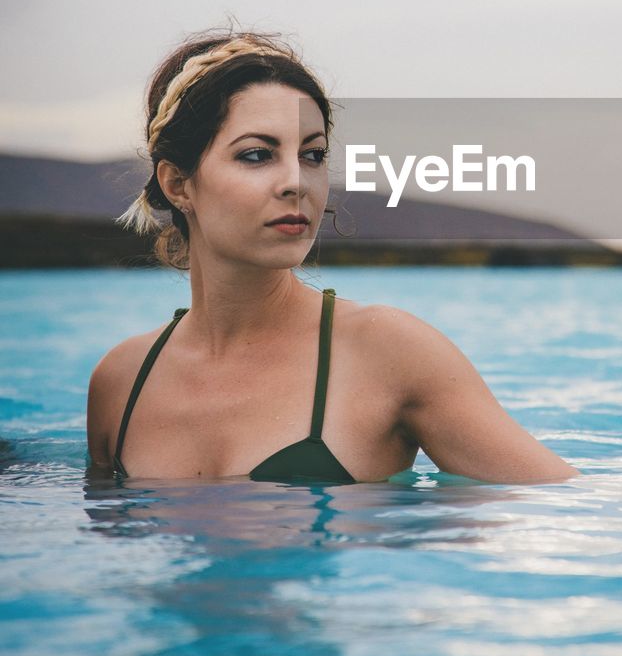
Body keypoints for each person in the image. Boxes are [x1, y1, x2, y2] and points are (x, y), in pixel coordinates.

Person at [86, 29, 579, 486]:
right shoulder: (122, 381)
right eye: (257, 155)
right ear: (177, 184)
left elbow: (563, 508)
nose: (297, 183)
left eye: (313, 155)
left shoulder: (388, 352)